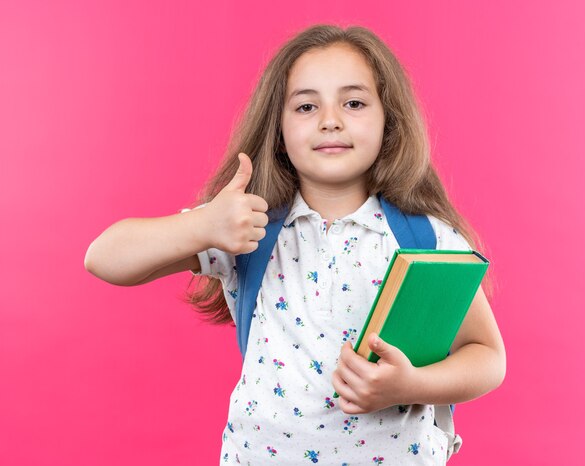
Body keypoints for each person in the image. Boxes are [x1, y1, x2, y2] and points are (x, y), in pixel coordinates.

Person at [85, 24, 506, 465]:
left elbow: (487, 357)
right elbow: (104, 258)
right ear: (279, 131)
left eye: (354, 102)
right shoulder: (244, 228)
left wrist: (411, 386)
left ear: (390, 121)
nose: (330, 119)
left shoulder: (428, 239)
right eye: (306, 106)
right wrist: (202, 226)